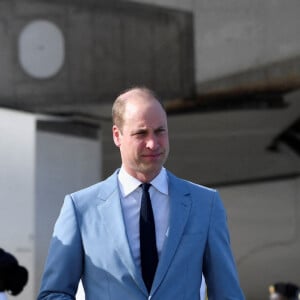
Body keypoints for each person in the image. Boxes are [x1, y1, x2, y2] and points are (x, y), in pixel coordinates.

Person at [37, 87, 245, 299]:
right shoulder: (81, 208)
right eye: (141, 133)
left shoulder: (205, 204)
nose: (153, 143)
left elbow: (227, 293)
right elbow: (53, 294)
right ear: (117, 135)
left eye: (160, 131)